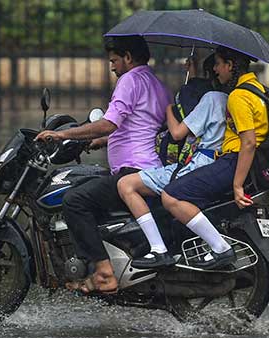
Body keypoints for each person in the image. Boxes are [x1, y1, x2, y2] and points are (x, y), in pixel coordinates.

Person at [35, 36, 171, 293]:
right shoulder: (157, 84)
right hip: (148, 168)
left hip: (131, 171)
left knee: (75, 200)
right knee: (90, 187)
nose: (112, 67)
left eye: (114, 60)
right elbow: (142, 128)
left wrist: (62, 135)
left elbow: (110, 122)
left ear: (128, 57)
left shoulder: (129, 80)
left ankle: (104, 273)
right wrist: (102, 141)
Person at [160, 46, 269, 270]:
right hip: (242, 162)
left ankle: (221, 248)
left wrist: (237, 186)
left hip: (233, 161)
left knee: (171, 195)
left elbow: (248, 142)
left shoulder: (238, 96)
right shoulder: (258, 90)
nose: (216, 69)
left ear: (230, 65)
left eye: (219, 63)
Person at [117, 54, 228, 269]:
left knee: (126, 184)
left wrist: (169, 108)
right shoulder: (231, 97)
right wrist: (194, 70)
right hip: (218, 164)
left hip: (200, 164)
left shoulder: (212, 98)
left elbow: (177, 133)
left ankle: (158, 249)